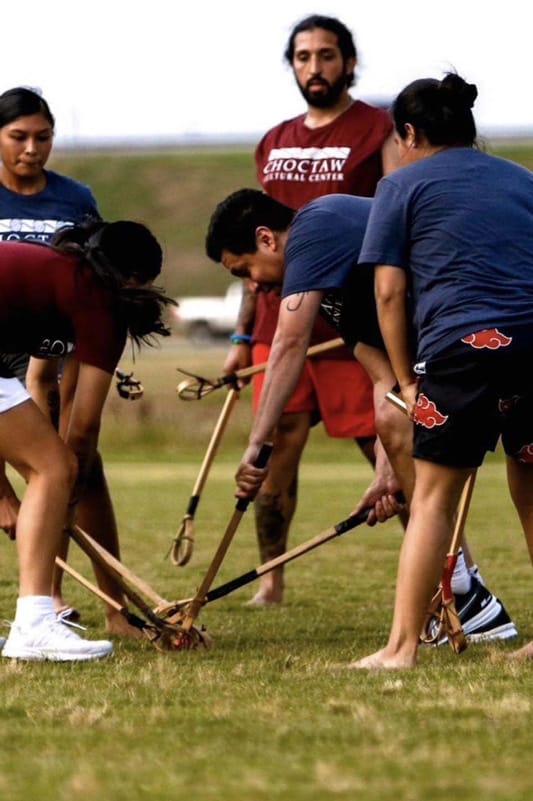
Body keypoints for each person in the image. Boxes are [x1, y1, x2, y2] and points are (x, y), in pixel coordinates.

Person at [205, 187, 517, 644]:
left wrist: (258, 445)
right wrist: (387, 472)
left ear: (267, 238)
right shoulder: (337, 286)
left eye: (245, 268)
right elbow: (383, 381)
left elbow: (289, 344)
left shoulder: (315, 227)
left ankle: (463, 593)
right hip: (443, 341)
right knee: (393, 421)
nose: (254, 284)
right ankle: (466, 592)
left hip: (480, 323)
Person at [349, 72, 533, 670]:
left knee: (431, 497)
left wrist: (405, 381)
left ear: (408, 133)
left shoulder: (399, 187)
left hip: (462, 347)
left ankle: (401, 648)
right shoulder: (522, 180)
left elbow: (387, 295)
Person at [225, 15, 397, 605]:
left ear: (348, 62)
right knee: (273, 451)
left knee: (389, 443)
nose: (314, 67)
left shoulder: (379, 128)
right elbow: (257, 248)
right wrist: (241, 338)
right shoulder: (273, 141)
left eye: (327, 55)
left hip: (353, 321)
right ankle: (270, 579)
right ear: (292, 64)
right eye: (303, 56)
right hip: (280, 324)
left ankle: (451, 572)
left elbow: (398, 212)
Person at [0, 217, 172, 661]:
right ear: (134, 279)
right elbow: (82, 430)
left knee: (50, 467)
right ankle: (35, 625)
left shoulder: (56, 276)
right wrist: (63, 495)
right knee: (54, 466)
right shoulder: (99, 300)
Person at [0, 85, 137, 635]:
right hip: (5, 355)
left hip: (53, 355)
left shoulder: (75, 198)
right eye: (18, 137)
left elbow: (94, 290)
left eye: (43, 137)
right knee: (47, 471)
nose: (32, 149)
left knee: (79, 468)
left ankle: (112, 608)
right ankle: (44, 604)